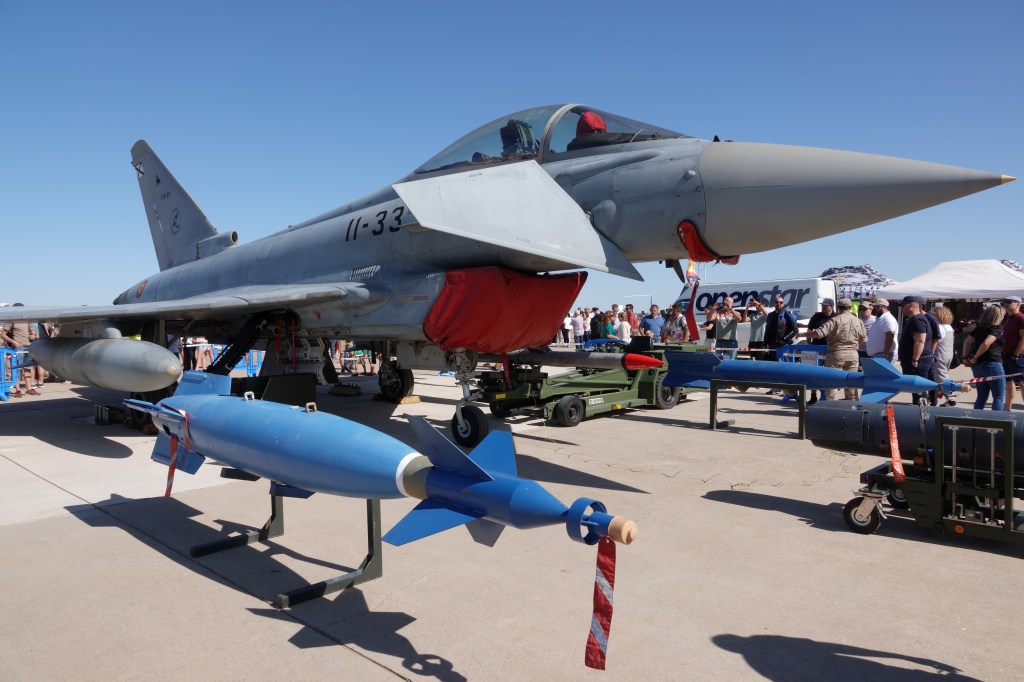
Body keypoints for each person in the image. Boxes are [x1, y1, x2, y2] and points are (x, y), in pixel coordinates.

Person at [799, 298, 866, 400]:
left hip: (836, 354)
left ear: (838, 308)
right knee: (851, 383)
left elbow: (818, 333)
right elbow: (864, 339)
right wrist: (854, 348)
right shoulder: (858, 321)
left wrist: (801, 334)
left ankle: (831, 405)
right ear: (850, 307)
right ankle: (852, 404)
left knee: (832, 383)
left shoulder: (835, 320)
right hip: (853, 355)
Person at [962, 303, 1005, 410]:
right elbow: (986, 343)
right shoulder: (997, 329)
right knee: (998, 397)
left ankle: (976, 419)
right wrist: (975, 357)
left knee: (981, 397)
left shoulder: (979, 328)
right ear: (999, 316)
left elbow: (967, 341)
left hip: (978, 366)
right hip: (992, 363)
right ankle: (997, 419)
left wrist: (965, 357)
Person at [898, 296, 936, 406]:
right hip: (920, 361)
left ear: (910, 306)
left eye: (903, 306)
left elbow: (920, 341)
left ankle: (922, 413)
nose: (902, 308)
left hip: (919, 362)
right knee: (917, 390)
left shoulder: (917, 320)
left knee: (918, 392)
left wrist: (915, 359)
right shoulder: (915, 319)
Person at [1001, 296, 1024, 411]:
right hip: (1006, 354)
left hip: (1017, 356)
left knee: (1022, 383)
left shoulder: (1021, 318)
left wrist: (1016, 354)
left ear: (1018, 304)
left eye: (1009, 302)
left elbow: (1023, 338)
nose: (1006, 304)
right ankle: (1007, 409)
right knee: (1009, 382)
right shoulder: (1008, 318)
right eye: (1004, 302)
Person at [762, 296, 798, 361]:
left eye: (780, 302)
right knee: (772, 363)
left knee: (784, 364)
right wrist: (765, 344)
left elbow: (795, 330)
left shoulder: (787, 314)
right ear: (774, 303)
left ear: (783, 304)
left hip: (783, 345)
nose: (778, 304)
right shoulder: (770, 315)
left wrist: (784, 339)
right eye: (776, 302)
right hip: (772, 345)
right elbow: (767, 330)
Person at [932, 306, 956, 392]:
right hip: (948, 354)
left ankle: (950, 395)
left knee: (941, 376)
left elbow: (936, 341)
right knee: (944, 373)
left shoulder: (940, 327)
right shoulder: (949, 327)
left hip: (940, 354)